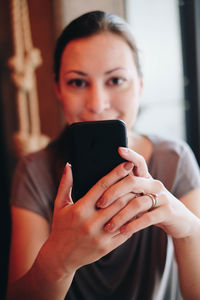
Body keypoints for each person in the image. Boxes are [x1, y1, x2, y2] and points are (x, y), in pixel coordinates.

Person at [7, 10, 200, 300]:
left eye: (116, 80)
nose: (97, 104)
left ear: (141, 85)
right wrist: (58, 261)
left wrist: (188, 232)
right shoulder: (34, 171)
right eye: (78, 82)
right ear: (58, 89)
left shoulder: (175, 160)